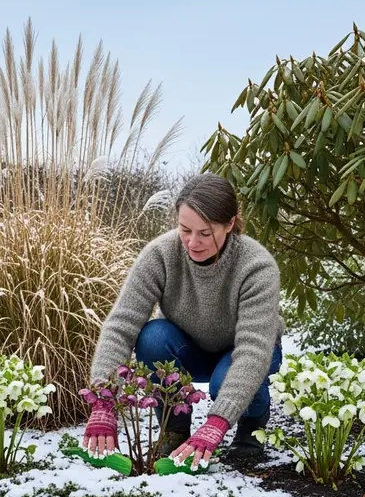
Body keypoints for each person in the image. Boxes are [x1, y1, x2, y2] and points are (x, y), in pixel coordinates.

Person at [81, 173, 284, 468]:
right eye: (185, 229)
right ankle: (175, 428)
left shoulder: (256, 266)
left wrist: (216, 422)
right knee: (152, 336)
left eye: (205, 232)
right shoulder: (161, 255)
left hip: (248, 352)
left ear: (229, 224)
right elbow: (121, 325)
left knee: (224, 383)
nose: (193, 242)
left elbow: (253, 351)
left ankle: (251, 426)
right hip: (191, 348)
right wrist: (103, 399)